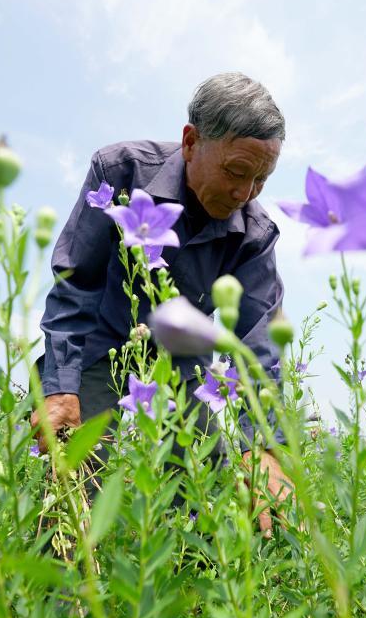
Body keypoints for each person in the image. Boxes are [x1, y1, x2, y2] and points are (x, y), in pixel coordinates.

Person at [32, 72, 292, 535]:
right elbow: (77, 283)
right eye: (236, 171)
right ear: (191, 141)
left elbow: (259, 342)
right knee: (71, 490)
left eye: (260, 180)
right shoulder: (120, 174)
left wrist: (263, 446)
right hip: (102, 349)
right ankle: (61, 600)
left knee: (212, 495)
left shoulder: (254, 233)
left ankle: (193, 592)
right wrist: (60, 386)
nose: (243, 194)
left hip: (181, 368)